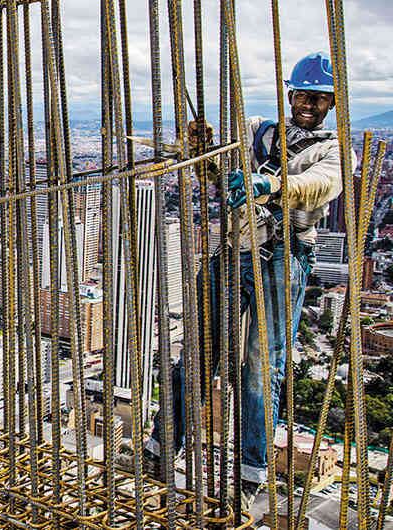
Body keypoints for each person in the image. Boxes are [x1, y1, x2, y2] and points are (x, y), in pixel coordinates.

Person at [142, 51, 356, 510]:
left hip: (283, 258)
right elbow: (216, 172)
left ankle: (249, 472)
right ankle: (162, 448)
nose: (308, 104)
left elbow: (322, 185)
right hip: (235, 249)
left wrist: (271, 186)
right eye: (303, 95)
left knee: (261, 370)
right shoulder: (260, 129)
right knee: (195, 359)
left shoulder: (336, 149)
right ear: (290, 93)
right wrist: (202, 149)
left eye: (319, 99)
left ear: (331, 104)